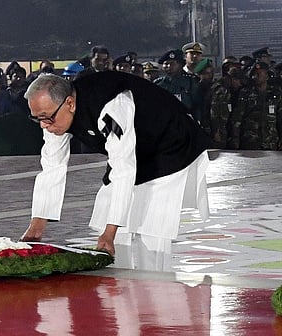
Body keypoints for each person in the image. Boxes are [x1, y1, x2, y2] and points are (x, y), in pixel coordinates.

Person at [19, 72, 210, 271]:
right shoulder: (54, 114)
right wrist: (37, 225)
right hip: (135, 148)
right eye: (37, 119)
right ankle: (122, 292)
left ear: (70, 104)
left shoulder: (110, 105)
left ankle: (158, 288)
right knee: (113, 227)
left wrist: (111, 232)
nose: (44, 125)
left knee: (151, 227)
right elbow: (52, 165)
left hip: (171, 145)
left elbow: (123, 169)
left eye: (46, 118)